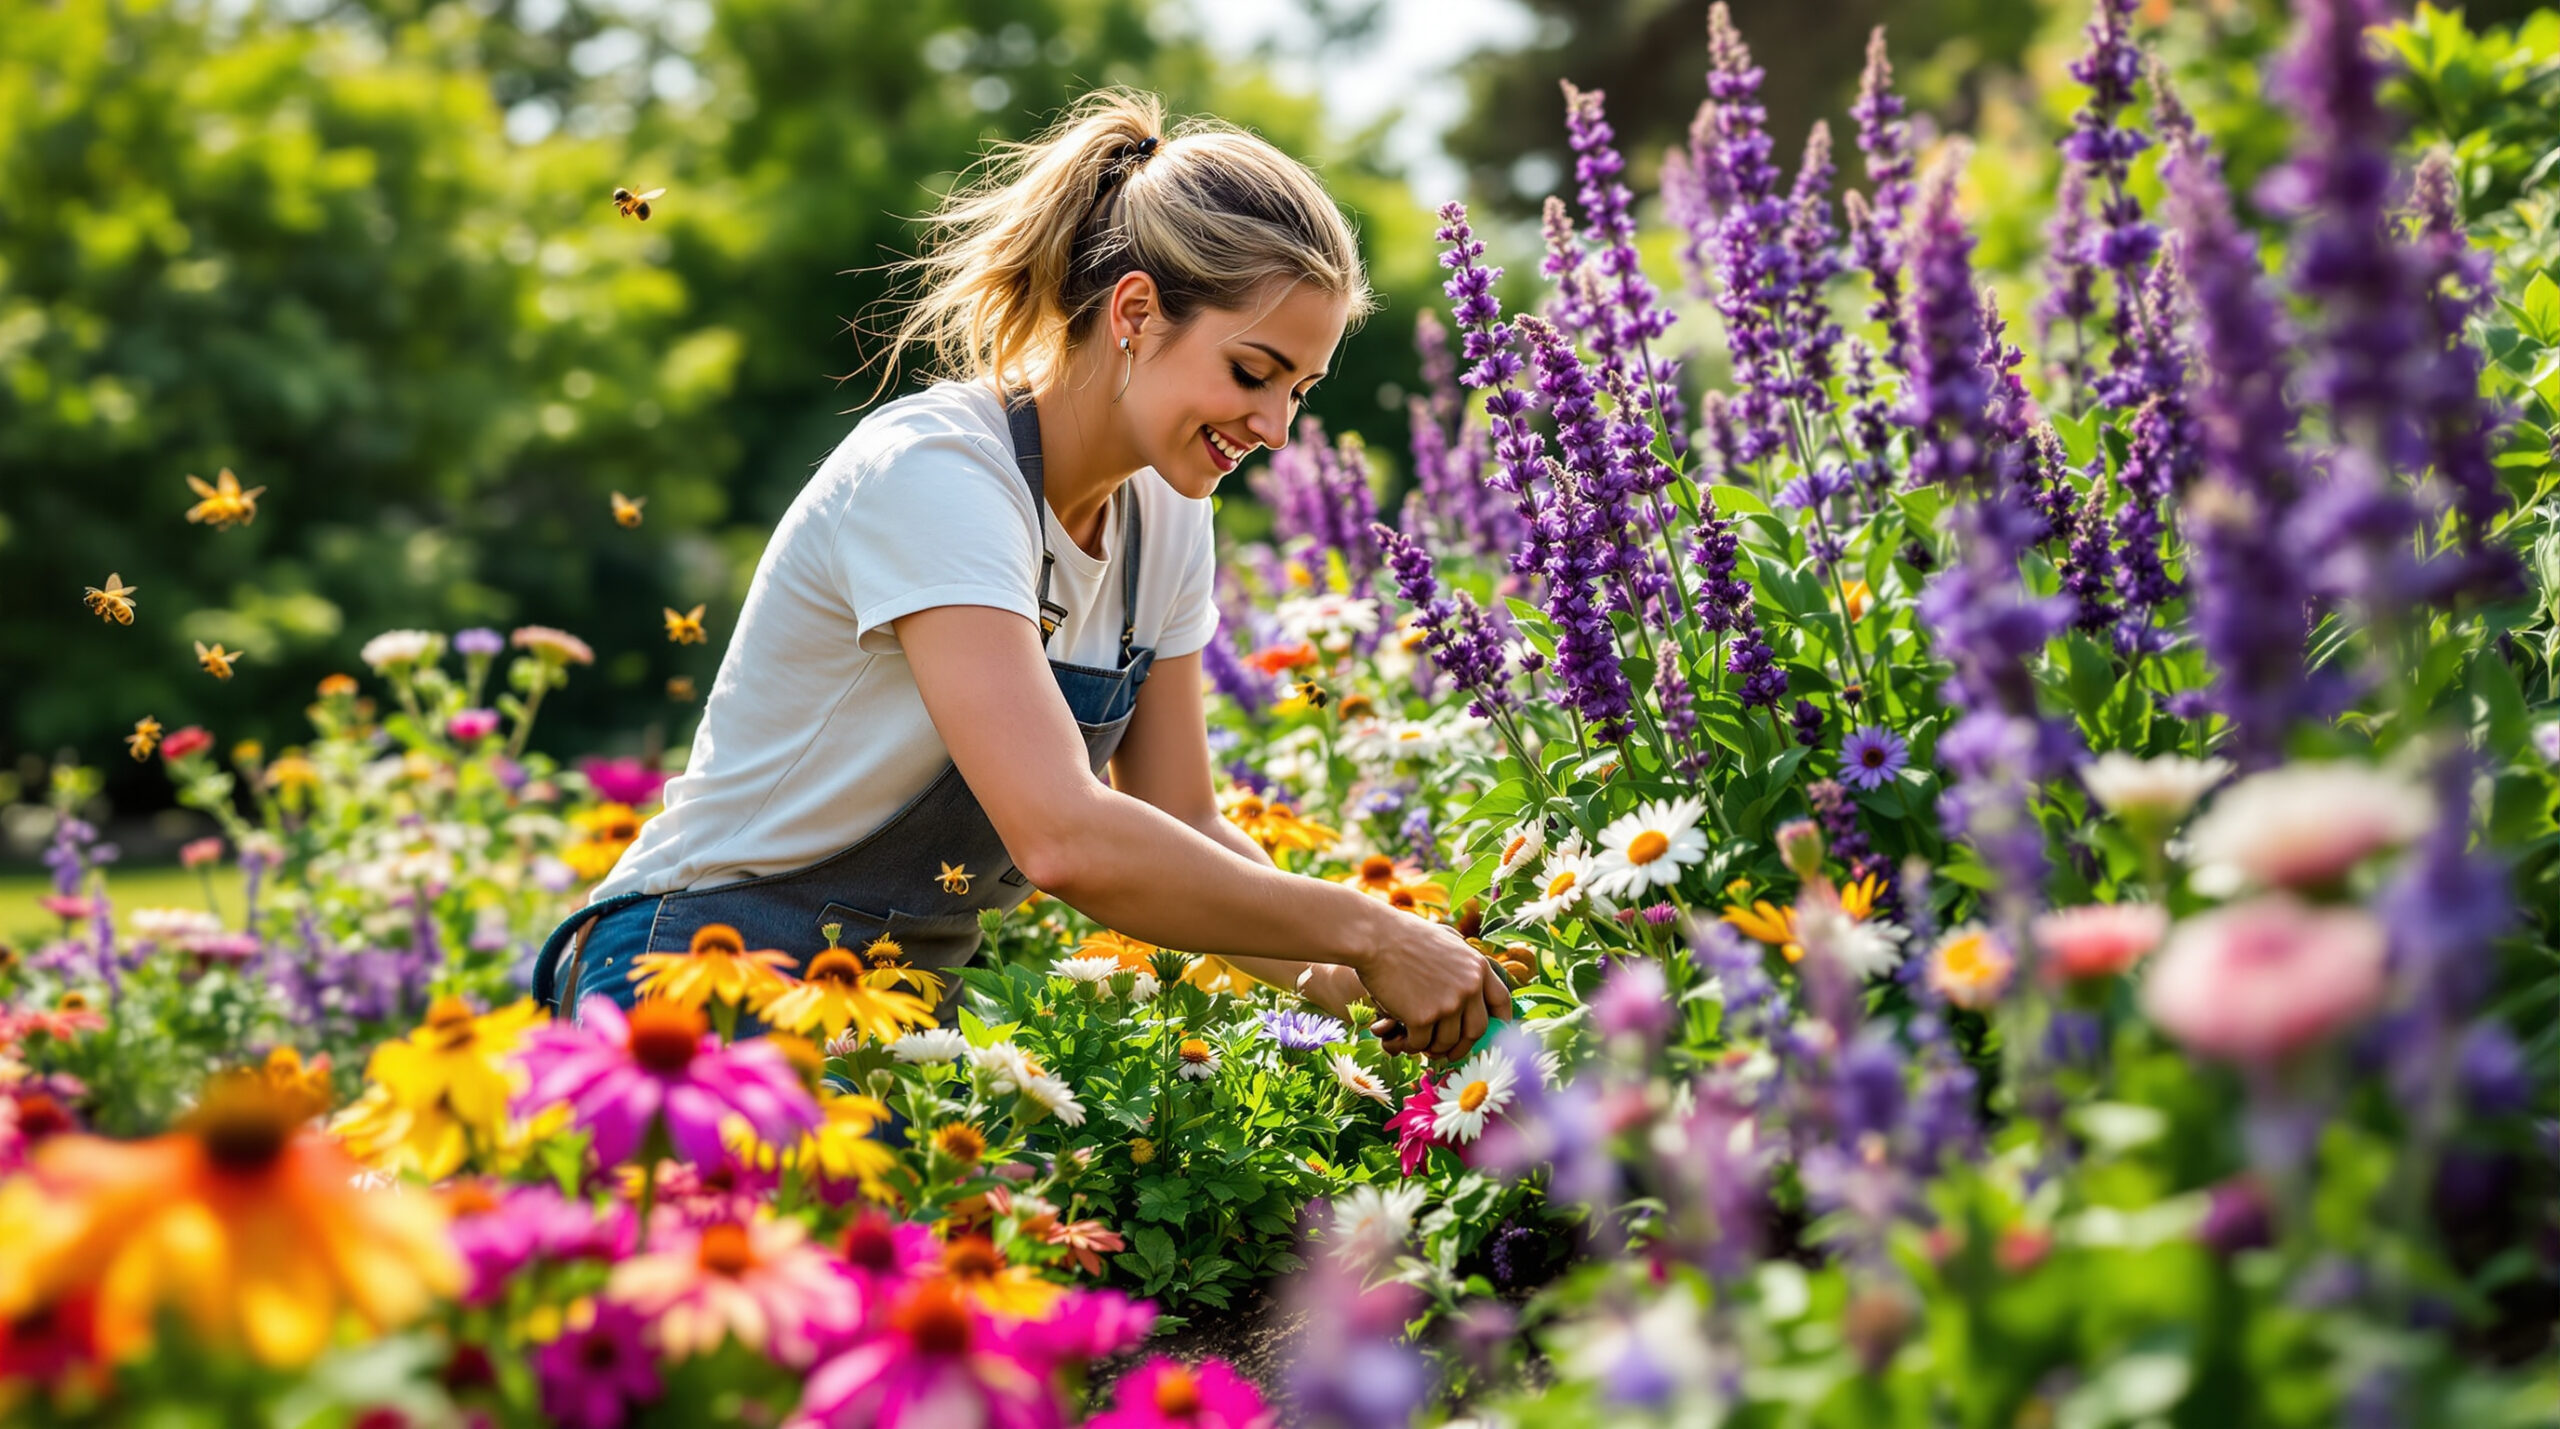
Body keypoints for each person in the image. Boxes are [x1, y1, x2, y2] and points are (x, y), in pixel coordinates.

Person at [530, 89, 1509, 1059]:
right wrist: (1374, 931)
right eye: (1252, 373)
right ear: (1135, 311)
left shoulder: (1165, 514)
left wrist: (1366, 982)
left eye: (1298, 390)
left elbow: (1183, 817)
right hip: (702, 971)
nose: (1275, 429)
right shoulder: (939, 476)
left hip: (902, 998)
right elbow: (1064, 837)